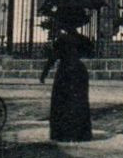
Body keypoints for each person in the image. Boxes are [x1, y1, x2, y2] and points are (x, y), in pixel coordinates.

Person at [39, 12, 94, 143]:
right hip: (79, 71)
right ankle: (80, 133)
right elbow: (90, 53)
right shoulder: (83, 39)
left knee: (62, 102)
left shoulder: (61, 40)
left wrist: (44, 73)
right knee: (79, 101)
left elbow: (53, 58)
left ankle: (63, 133)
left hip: (65, 72)